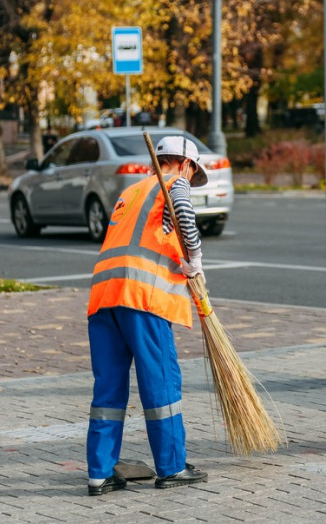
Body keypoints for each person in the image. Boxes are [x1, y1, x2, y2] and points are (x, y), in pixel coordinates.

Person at [85, 135, 209, 496]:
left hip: (104, 298)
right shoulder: (175, 183)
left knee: (108, 387)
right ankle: (171, 467)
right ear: (185, 164)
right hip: (143, 298)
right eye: (192, 170)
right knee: (161, 381)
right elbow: (184, 213)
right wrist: (196, 260)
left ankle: (100, 473)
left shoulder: (134, 189)